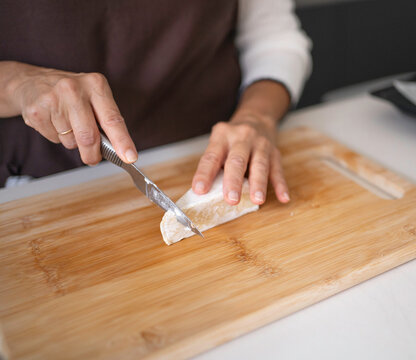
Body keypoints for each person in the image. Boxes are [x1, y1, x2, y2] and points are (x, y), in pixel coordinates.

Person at [0, 0, 311, 205]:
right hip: (31, 190)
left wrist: (256, 117)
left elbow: (274, 40)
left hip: (205, 157)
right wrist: (16, 83)